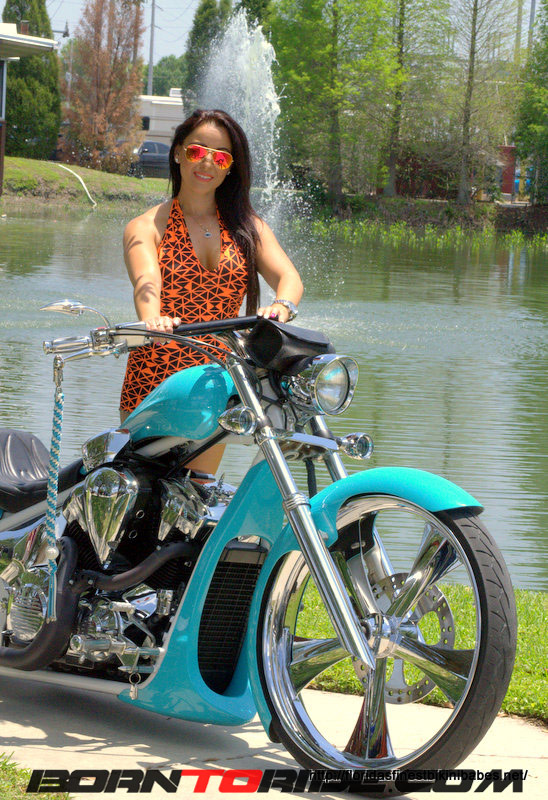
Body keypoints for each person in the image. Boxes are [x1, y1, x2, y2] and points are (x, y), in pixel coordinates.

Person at [120, 108, 303, 476]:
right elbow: (146, 282)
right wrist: (152, 318)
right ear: (178, 153)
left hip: (213, 382)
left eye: (220, 157)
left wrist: (282, 306)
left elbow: (289, 277)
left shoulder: (247, 227)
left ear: (230, 167)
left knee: (198, 492)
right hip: (156, 378)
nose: (207, 162)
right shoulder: (147, 226)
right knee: (143, 494)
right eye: (196, 151)